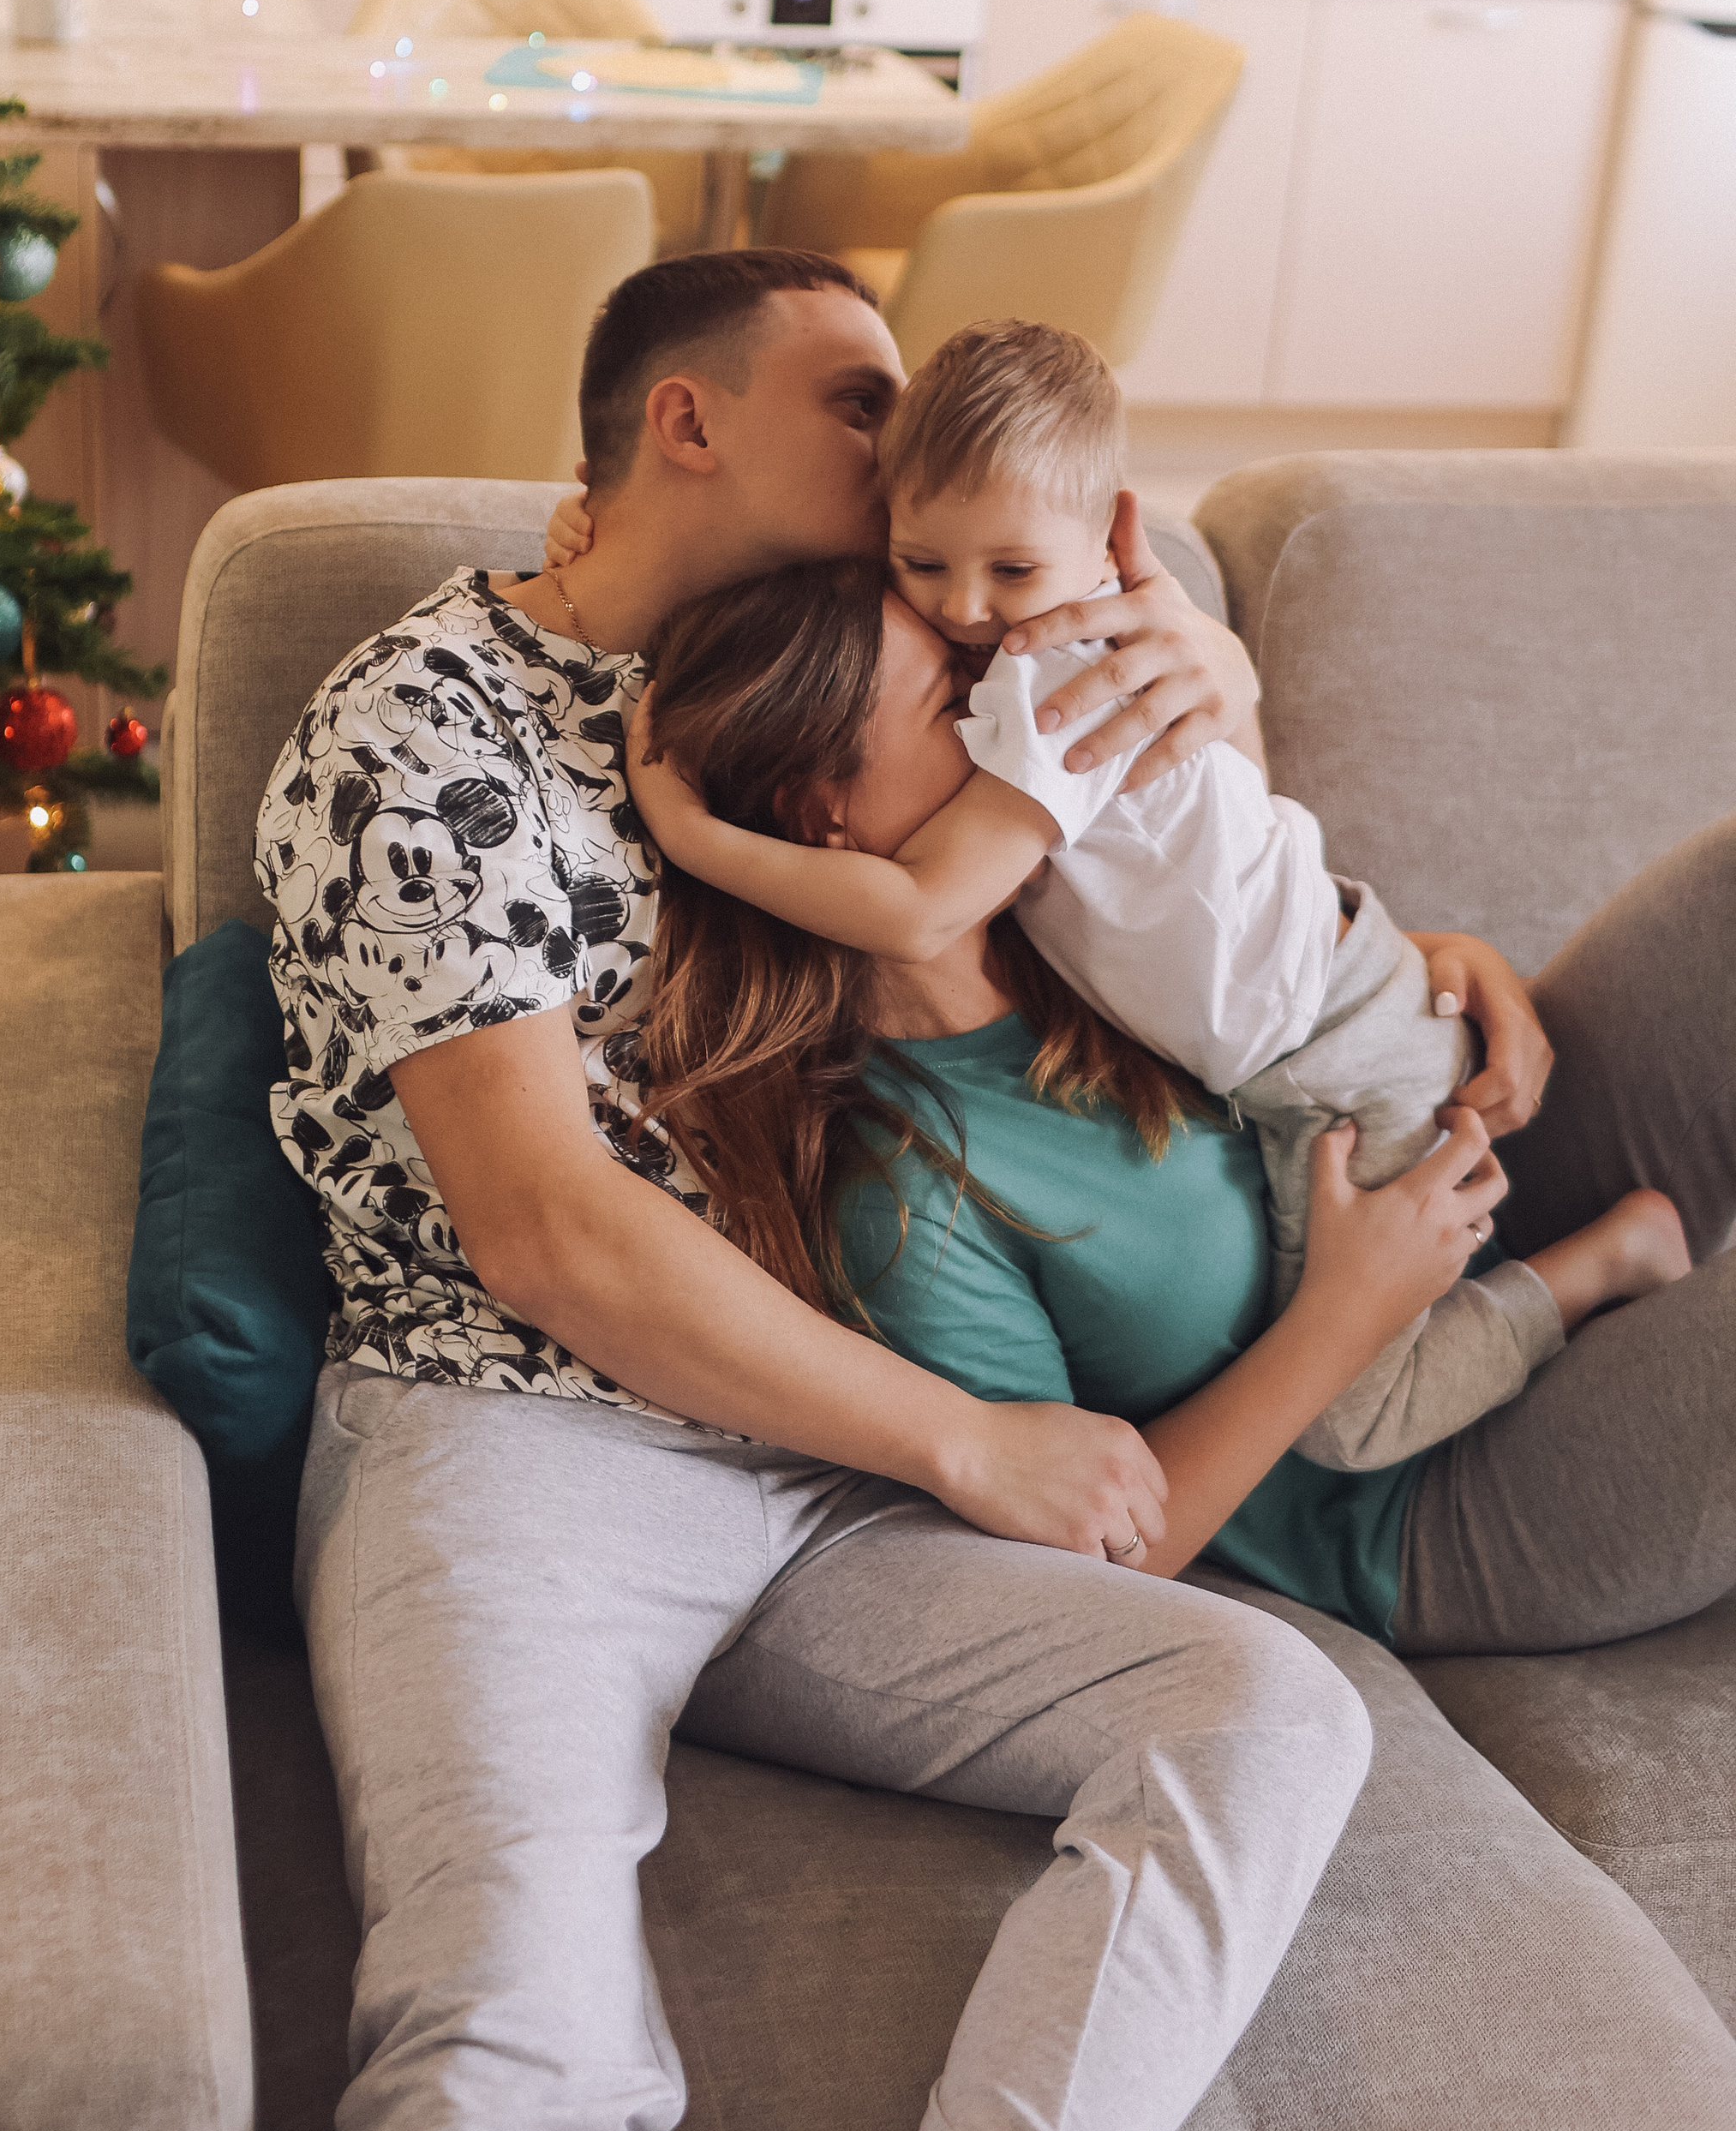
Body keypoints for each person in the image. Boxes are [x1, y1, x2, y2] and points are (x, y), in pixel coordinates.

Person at [256, 250, 1428, 2131]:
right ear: (685, 423)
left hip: (827, 1475)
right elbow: (546, 1235)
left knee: (1267, 1712)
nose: (909, 450)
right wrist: (968, 1443)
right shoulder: (422, 724)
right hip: (518, 1444)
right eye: (860, 396)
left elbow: (1159, 899)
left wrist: (1367, 917)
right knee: (501, 2013)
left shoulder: (902, 655)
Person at [621, 319, 1686, 1472]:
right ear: (816, 807)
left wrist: (693, 832)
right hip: (1369, 1166)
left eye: (1010, 575)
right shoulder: (913, 1183)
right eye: (921, 572)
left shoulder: (1058, 697)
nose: (970, 621)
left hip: (1358, 1043)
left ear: (1112, 536)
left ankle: (1610, 1258)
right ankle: (1603, 1263)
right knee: (1355, 1421)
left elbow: (1074, 872)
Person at [634, 554, 1736, 1664]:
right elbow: (1096, 1559)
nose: (1023, 719)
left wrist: (1435, 963)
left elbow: (1290, 961)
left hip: (1488, 1181)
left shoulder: (1077, 904)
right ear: (822, 815)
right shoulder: (906, 1192)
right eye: (957, 703)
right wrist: (1342, 1315)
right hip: (1418, 1494)